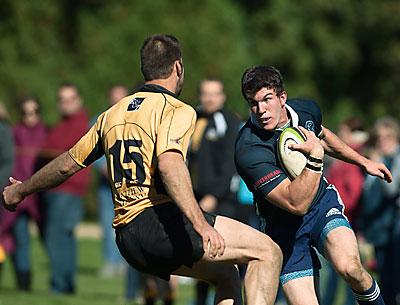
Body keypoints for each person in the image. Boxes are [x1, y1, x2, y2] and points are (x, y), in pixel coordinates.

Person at [3, 34, 282, 305]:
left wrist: (21, 189)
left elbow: (66, 165)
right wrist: (201, 225)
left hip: (127, 239)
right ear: (178, 67)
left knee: (225, 274)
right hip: (159, 221)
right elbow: (170, 164)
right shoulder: (176, 109)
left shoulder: (112, 114)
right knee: (267, 251)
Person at [235, 65, 392, 305]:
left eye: (267, 99)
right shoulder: (249, 149)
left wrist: (363, 161)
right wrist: (316, 158)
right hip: (283, 228)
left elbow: (322, 135)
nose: (261, 110)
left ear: (282, 97)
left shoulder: (305, 109)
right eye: (253, 103)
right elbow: (295, 204)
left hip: (321, 206)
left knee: (350, 268)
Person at [188, 78, 241, 305]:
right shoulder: (194, 118)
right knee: (201, 257)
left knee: (224, 257)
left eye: (214, 94)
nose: (209, 98)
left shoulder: (227, 121)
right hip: (196, 197)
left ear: (222, 96)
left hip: (221, 200)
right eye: (205, 93)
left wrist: (215, 196)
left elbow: (230, 163)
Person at [38, 83, 90, 294]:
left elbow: (62, 154)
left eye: (69, 99)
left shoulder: (80, 125)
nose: (65, 104)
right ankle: (65, 285)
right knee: (63, 237)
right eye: (61, 99)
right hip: (57, 191)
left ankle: (59, 286)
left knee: (57, 236)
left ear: (79, 100)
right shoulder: (61, 125)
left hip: (67, 190)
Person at [1, 97, 47, 291]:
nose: (30, 117)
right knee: (19, 238)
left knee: (47, 240)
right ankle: (23, 282)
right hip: (18, 193)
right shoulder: (14, 133)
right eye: (26, 112)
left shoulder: (45, 133)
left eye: (34, 111)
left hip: (39, 195)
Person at [321, 117, 368, 305]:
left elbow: (354, 194)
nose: (340, 136)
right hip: (334, 219)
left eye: (343, 132)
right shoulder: (344, 160)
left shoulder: (353, 160)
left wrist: (334, 206)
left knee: (346, 275)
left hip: (342, 221)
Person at [360, 117, 400, 305]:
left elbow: (392, 191)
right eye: (379, 137)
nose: (382, 141)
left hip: (392, 229)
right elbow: (366, 197)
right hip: (378, 229)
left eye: (387, 137)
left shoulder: (396, 159)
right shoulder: (377, 158)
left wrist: (379, 165)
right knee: (384, 278)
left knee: (391, 279)